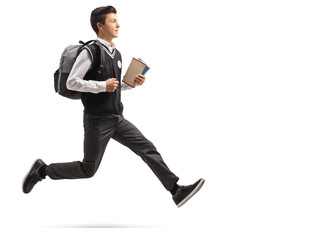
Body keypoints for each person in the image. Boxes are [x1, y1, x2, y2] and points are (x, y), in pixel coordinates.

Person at [22, 5, 205, 208]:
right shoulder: (90, 51)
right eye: (112, 21)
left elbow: (115, 87)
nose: (118, 24)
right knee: (88, 169)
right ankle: (42, 171)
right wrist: (103, 85)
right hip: (97, 122)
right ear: (100, 25)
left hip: (117, 119)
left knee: (147, 148)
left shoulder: (116, 54)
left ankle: (176, 191)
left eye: (117, 20)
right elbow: (71, 82)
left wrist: (131, 83)